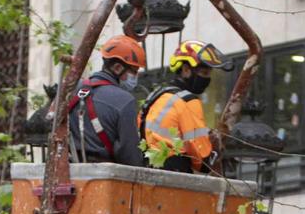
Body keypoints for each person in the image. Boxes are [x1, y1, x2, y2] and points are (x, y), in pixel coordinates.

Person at [140, 39, 231, 172]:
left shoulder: (155, 96)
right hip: (175, 176)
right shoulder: (188, 101)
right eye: (204, 73)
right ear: (186, 70)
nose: (207, 79)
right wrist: (216, 150)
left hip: (147, 170)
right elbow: (202, 159)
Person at [68, 34, 147, 166]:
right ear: (117, 68)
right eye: (134, 71)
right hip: (106, 179)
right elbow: (130, 155)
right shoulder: (124, 100)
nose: (135, 76)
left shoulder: (73, 90)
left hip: (69, 173)